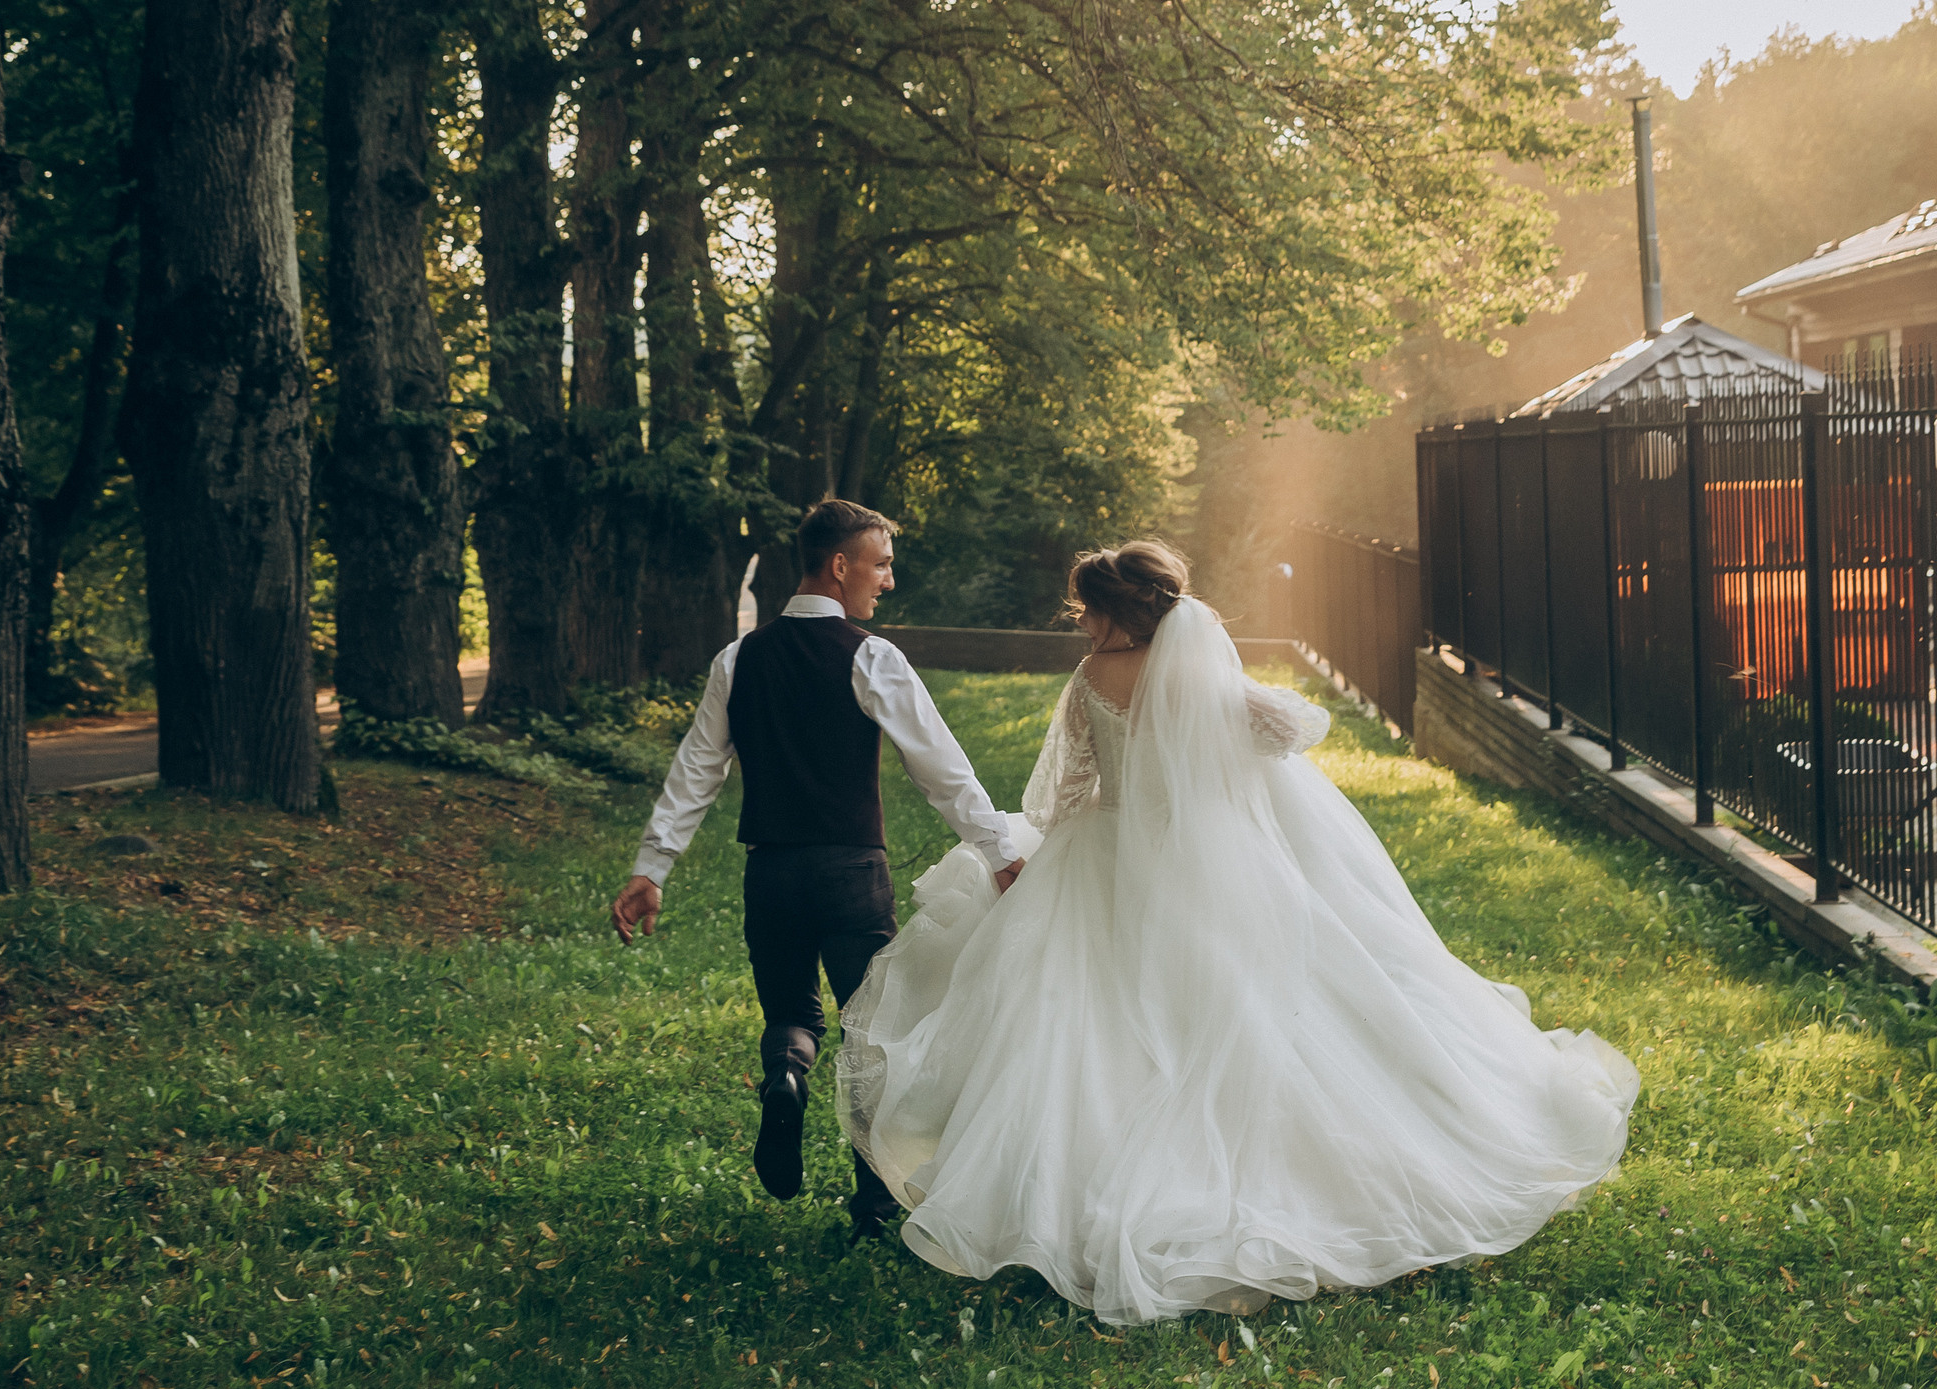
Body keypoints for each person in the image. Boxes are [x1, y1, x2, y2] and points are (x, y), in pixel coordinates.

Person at [840, 539, 1640, 1324]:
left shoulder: (1091, 680)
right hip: (1208, 865)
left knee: (1086, 1022)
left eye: (1086, 610)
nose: (1079, 623)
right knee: (1243, 1011)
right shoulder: (1196, 670)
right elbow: (1299, 727)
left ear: (1115, 614)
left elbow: (1061, 794)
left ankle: (1061, 1199)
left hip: (1104, 857)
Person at [610, 498, 1035, 1234]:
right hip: (850, 877)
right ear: (840, 565)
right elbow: (941, 767)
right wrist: (1000, 851)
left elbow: (695, 770)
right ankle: (873, 1200)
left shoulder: (738, 658)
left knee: (791, 1015)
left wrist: (653, 868)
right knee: (868, 1031)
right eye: (881, 563)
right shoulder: (870, 655)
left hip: (769, 874)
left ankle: (786, 1072)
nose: (888, 582)